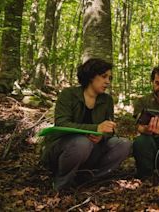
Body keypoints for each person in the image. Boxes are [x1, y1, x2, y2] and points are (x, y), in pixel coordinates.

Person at [40, 58, 132, 191]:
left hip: (93, 150)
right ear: (90, 76)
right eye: (103, 76)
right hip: (63, 149)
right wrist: (95, 128)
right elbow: (61, 123)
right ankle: (61, 184)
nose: (107, 81)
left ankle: (90, 179)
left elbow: (110, 129)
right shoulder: (69, 94)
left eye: (110, 78)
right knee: (82, 142)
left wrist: (103, 136)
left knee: (124, 144)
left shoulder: (107, 100)